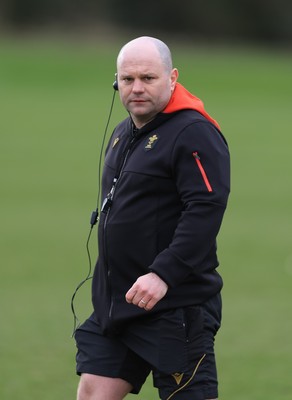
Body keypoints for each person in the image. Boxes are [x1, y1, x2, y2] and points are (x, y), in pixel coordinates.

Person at [74, 36, 230, 400]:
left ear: (172, 78)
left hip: (174, 308)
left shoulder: (194, 133)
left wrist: (164, 274)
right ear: (116, 82)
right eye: (128, 80)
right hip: (119, 305)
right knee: (92, 394)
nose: (137, 88)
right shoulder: (122, 133)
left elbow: (206, 209)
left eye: (148, 78)